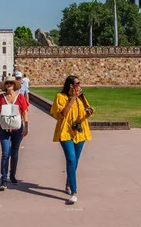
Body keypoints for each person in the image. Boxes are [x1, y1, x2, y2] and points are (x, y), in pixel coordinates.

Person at [50, 75, 94, 204]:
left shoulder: (82, 98)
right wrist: (73, 98)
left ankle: (68, 184)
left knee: (75, 162)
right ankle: (74, 192)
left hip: (79, 132)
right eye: (77, 83)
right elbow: (62, 114)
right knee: (71, 160)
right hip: (66, 132)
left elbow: (84, 113)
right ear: (70, 85)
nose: (79, 85)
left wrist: (89, 112)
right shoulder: (61, 97)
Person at [0, 75, 29, 191]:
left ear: (14, 85)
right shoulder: (1, 98)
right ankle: (3, 179)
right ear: (5, 86)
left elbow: (25, 112)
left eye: (11, 83)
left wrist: (26, 127)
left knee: (15, 152)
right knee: (5, 153)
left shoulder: (20, 97)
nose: (9, 85)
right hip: (4, 129)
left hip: (17, 129)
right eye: (7, 83)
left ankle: (12, 174)